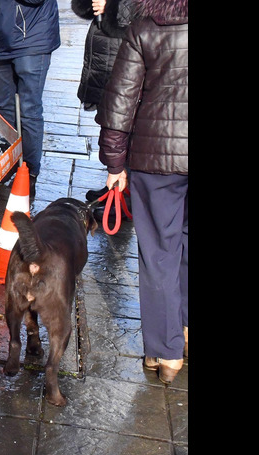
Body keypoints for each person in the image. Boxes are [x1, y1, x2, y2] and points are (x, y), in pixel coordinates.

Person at [96, 0, 187, 384]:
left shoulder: (143, 26)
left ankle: (166, 353)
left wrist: (115, 163)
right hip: (158, 157)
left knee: (159, 253)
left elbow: (121, 99)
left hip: (157, 155)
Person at [0, 0, 60, 199]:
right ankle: (10, 160)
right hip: (0, 39)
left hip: (31, 39)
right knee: (4, 108)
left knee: (29, 110)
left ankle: (29, 170)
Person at [71, 0, 140, 204]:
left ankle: (126, 194)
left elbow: (149, 8)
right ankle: (115, 182)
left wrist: (111, 9)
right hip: (104, 53)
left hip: (125, 52)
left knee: (127, 124)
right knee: (111, 123)